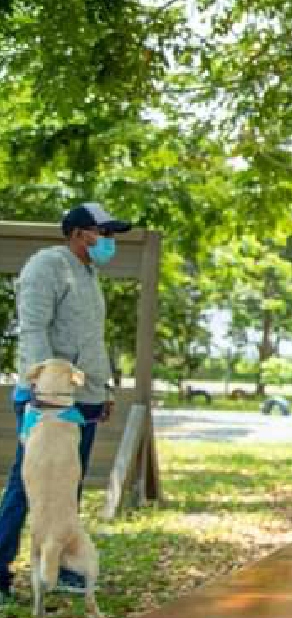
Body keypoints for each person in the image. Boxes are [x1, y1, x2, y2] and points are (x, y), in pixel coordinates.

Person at [0, 203, 130, 602]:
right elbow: (34, 330)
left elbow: (91, 340)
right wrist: (45, 398)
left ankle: (64, 568)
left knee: (67, 487)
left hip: (83, 401)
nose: (109, 242)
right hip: (49, 402)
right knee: (30, 486)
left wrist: (102, 390)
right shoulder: (47, 267)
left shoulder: (89, 274)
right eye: (102, 233)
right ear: (77, 233)